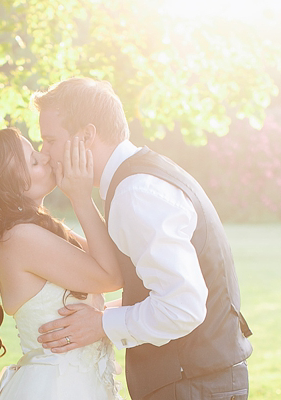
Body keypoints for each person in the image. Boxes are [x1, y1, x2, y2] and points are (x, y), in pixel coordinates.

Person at [33, 77, 253, 400]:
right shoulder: (139, 179)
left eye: (50, 140)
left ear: (87, 136)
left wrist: (103, 324)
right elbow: (162, 289)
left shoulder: (136, 193)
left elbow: (182, 307)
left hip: (192, 387)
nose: (44, 152)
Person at [0, 127, 124, 399]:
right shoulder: (20, 238)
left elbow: (115, 263)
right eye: (33, 160)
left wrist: (104, 320)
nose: (45, 157)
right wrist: (80, 198)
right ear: (7, 186)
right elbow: (112, 276)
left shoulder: (38, 230)